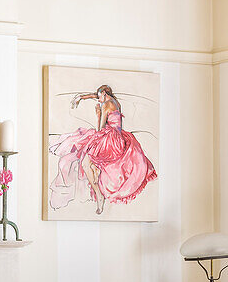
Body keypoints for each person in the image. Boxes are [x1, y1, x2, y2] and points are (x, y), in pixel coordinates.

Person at [49, 84, 156, 214]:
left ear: (104, 94)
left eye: (99, 97)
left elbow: (100, 128)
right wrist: (82, 97)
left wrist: (98, 114)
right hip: (119, 136)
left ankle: (99, 194)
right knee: (86, 143)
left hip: (111, 139)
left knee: (85, 160)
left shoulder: (105, 105)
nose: (98, 100)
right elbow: (96, 95)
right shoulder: (113, 101)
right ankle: (95, 175)